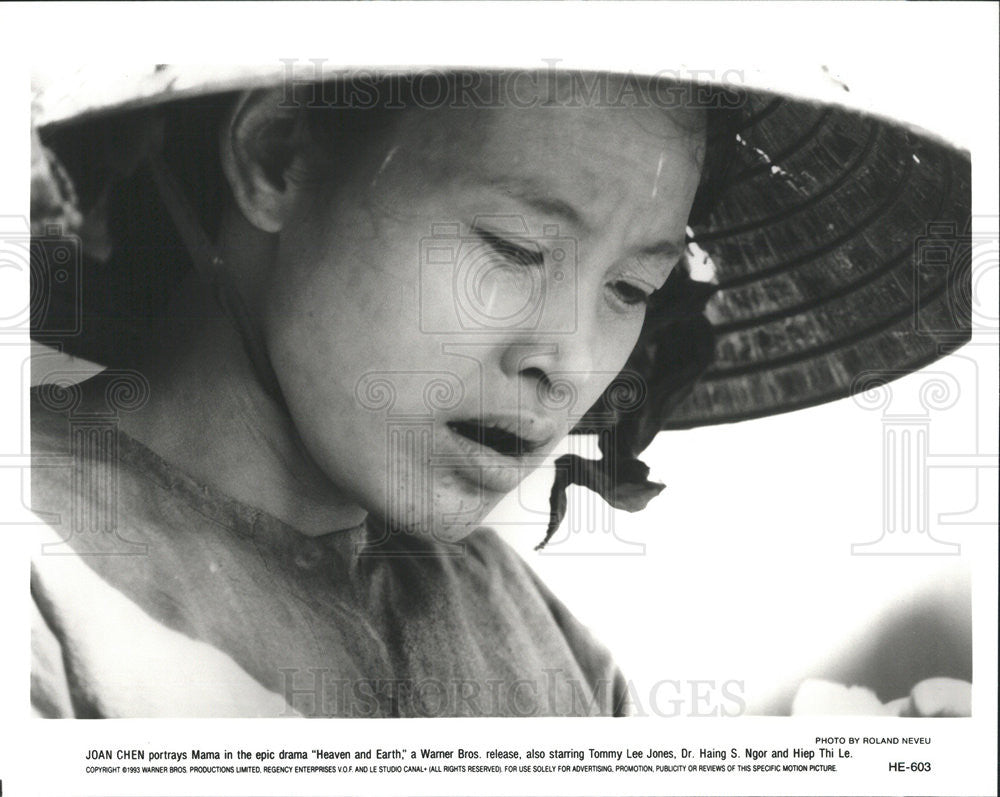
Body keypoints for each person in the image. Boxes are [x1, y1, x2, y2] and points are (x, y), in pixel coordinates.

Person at [29, 67, 972, 718]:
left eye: (631, 288)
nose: (566, 359)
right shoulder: (40, 587)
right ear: (280, 159)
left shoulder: (550, 660)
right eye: (514, 250)